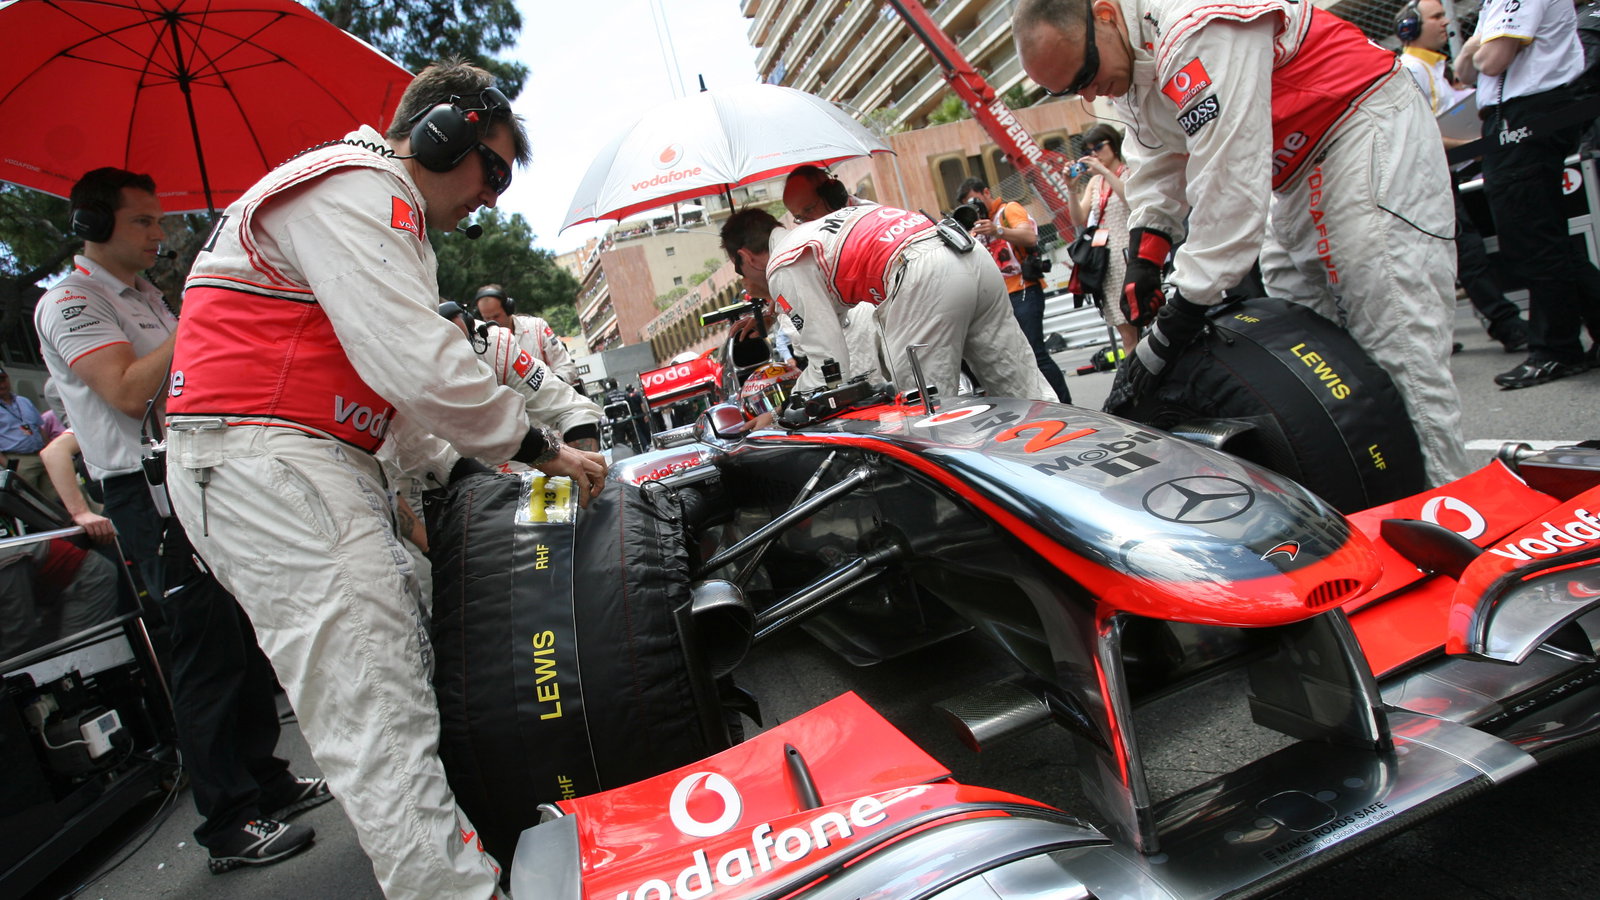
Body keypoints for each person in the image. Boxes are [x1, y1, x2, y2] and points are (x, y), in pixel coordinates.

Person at [161, 61, 607, 899]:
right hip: (275, 463)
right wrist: (541, 448)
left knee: (397, 667)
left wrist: (466, 471)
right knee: (379, 713)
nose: (495, 195)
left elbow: (402, 413)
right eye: (495, 167)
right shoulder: (360, 188)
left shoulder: (370, 206)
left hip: (292, 463)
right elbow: (420, 366)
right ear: (443, 132)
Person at [1013, 0, 1470, 486]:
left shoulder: (1194, 21)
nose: (1088, 93)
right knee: (1312, 371)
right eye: (1070, 90)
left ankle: (1452, 520)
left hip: (1359, 127)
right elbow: (1156, 162)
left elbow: (1227, 178)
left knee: (1397, 348)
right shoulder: (1123, 59)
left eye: (1086, 73)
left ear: (1104, 15)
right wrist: (1146, 256)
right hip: (1293, 171)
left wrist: (1183, 310)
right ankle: (1372, 512)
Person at [35, 167, 329, 874]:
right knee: (201, 651)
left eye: (161, 221)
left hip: (202, 473)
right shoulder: (72, 302)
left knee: (238, 633)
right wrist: (199, 308)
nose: (159, 235)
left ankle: (265, 779)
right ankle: (228, 822)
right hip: (145, 489)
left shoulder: (145, 296)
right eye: (144, 221)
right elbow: (129, 391)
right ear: (94, 225)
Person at [720, 206, 1053, 402]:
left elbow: (830, 366)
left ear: (745, 257)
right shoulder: (813, 232)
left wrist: (786, 407)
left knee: (931, 414)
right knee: (1026, 393)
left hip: (922, 276)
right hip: (964, 250)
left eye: (740, 275)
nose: (747, 287)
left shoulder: (783, 264)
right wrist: (773, 314)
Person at [1458, 0, 1600, 387]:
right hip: (1509, 117)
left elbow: (1490, 61)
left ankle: (1556, 350)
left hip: (1528, 114)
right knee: (1540, 235)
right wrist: (1477, 47)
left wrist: (1477, 45)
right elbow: (1464, 70)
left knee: (1531, 237)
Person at [1397, 0, 1529, 354]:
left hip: (1441, 170)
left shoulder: (1434, 69)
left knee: (1451, 253)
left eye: (1444, 16)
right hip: (1423, 174)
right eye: (1436, 17)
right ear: (1410, 27)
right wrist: (1477, 144)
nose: (1445, 24)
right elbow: (1418, 131)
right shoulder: (1410, 69)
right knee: (1465, 249)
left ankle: (1436, 336)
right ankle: (1506, 325)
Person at [958, 177, 1073, 403]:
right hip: (997, 300)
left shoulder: (1007, 211)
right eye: (967, 204)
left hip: (1024, 290)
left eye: (975, 200)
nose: (974, 206)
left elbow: (1030, 236)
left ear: (987, 192)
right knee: (1013, 359)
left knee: (1035, 354)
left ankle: (1067, 406)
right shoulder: (975, 225)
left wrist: (997, 230)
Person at [1068, 124, 1136, 354]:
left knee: (1142, 320)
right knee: (1125, 331)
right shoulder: (1095, 183)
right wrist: (1071, 189)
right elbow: (1079, 217)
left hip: (1131, 253)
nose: (1094, 154)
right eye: (1089, 151)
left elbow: (1132, 200)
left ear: (1113, 145)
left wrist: (1105, 171)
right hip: (1105, 259)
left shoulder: (1129, 172)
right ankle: (1135, 383)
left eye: (1098, 147)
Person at [472, 283, 582, 388]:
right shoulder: (481, 344)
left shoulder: (537, 327)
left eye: (497, 316)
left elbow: (565, 366)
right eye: (486, 318)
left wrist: (554, 386)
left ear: (508, 308)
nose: (493, 322)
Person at [0, 368, 58, 503]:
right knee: (31, 502)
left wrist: (49, 451)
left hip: (41, 455)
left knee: (56, 497)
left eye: (3, 380)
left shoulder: (23, 401)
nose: (2, 385)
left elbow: (39, 428)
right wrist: (8, 465)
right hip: (18, 460)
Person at [782, 164, 868, 223]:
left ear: (832, 195)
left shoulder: (868, 218)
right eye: (799, 218)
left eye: (809, 209)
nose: (807, 223)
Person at [624, 384, 651, 449]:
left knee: (638, 430)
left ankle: (644, 444)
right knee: (645, 428)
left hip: (633, 415)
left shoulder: (626, 396)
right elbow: (642, 404)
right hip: (640, 413)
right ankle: (648, 442)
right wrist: (645, 414)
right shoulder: (637, 394)